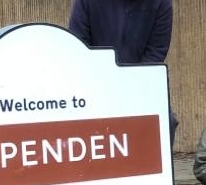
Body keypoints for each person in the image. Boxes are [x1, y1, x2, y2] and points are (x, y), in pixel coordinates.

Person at [68, 0, 179, 146]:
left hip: (140, 83)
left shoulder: (161, 3)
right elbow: (78, 45)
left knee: (167, 121)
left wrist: (129, 86)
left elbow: (156, 51)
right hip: (94, 83)